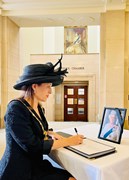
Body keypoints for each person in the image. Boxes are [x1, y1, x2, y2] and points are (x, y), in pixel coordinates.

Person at [0, 55, 84, 180]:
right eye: (48, 87)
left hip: (36, 165)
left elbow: (40, 128)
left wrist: (50, 133)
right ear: (34, 86)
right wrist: (68, 141)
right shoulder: (15, 109)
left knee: (76, 176)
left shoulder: (38, 107)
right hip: (20, 171)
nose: (50, 91)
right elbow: (32, 146)